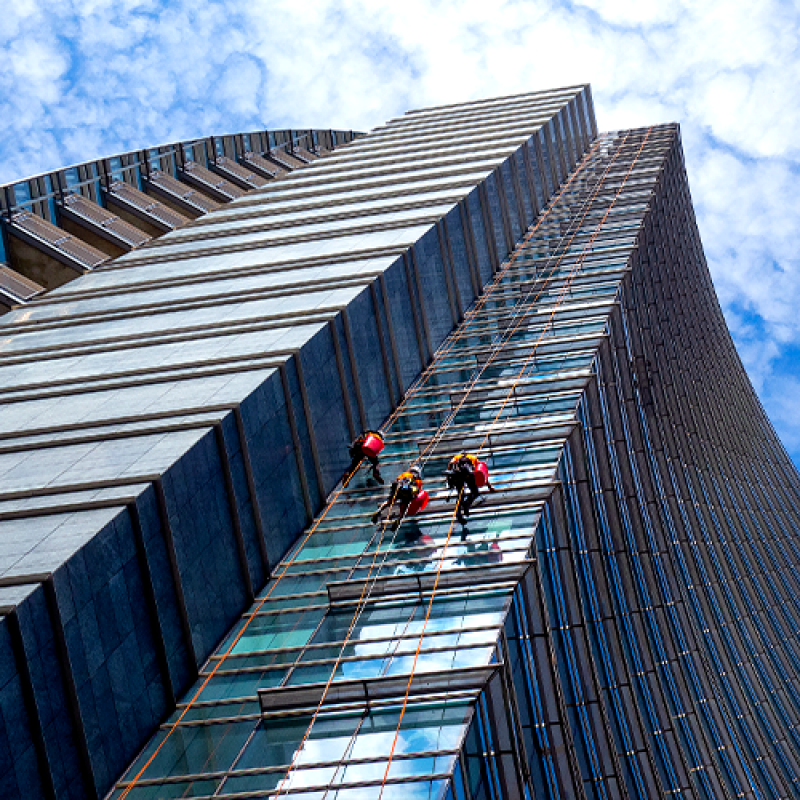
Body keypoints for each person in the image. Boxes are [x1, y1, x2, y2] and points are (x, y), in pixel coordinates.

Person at [445, 453, 497, 524]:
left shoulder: (456, 457)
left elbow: (451, 464)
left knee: (460, 495)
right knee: (475, 492)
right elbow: (481, 473)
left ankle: (459, 512)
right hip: (468, 475)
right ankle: (467, 503)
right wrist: (489, 487)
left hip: (457, 476)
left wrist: (448, 478)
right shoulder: (473, 458)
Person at [372, 465, 423, 530]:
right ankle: (399, 520)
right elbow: (418, 491)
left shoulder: (405, 474)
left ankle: (378, 511)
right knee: (404, 508)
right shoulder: (419, 481)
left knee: (389, 502)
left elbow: (397, 480)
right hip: (407, 494)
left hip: (399, 490)